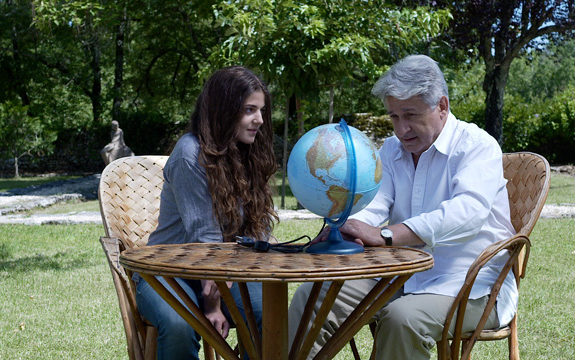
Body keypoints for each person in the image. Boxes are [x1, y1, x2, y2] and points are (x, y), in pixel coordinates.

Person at [288, 55, 518, 359]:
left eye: (410, 114)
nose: (402, 129)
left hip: (471, 286)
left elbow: (468, 212)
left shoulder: (477, 146)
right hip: (402, 278)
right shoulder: (392, 150)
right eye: (394, 116)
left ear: (442, 107)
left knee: (402, 319)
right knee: (313, 296)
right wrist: (347, 226)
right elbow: (374, 205)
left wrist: (386, 236)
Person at [134, 65, 278, 359]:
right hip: (168, 271)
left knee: (269, 315)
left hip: (225, 269)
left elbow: (257, 227)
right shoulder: (190, 153)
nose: (259, 120)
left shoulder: (248, 151)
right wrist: (212, 305)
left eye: (261, 110)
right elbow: (206, 239)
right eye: (250, 110)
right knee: (179, 325)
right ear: (225, 109)